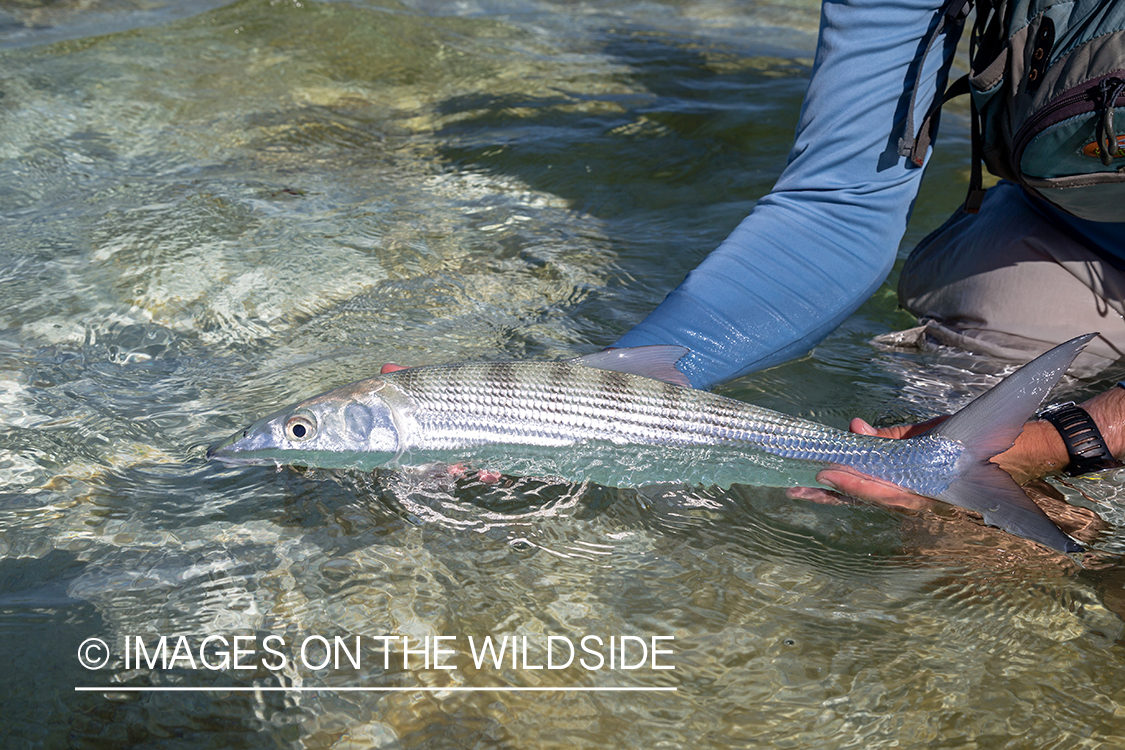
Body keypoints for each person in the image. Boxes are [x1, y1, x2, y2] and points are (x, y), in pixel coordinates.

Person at [610, 0, 1125, 506]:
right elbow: (836, 210)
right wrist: (618, 384)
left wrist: (1075, 433)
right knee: (957, 531)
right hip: (1064, 242)